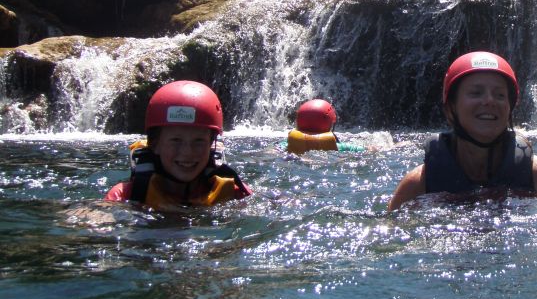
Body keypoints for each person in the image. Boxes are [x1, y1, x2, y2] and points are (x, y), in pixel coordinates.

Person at [388, 51, 537, 211]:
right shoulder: (417, 184)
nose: (489, 101)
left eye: (500, 95)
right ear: (450, 108)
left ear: (510, 108)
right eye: (475, 93)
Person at [105, 80, 251, 208]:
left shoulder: (236, 193)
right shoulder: (124, 196)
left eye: (199, 141)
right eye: (176, 140)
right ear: (155, 144)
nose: (188, 152)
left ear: (211, 144)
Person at [275, 99, 366, 154]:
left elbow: (273, 150)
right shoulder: (339, 147)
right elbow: (367, 150)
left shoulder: (288, 144)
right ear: (330, 123)